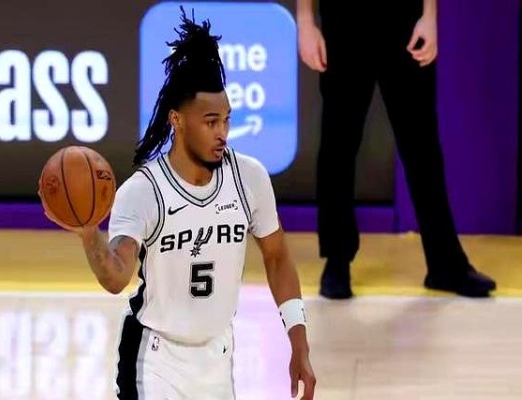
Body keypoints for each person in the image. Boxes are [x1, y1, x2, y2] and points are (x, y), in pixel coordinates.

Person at [39, 8, 316, 400]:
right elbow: (116, 278)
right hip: (154, 361)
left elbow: (277, 257)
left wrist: (299, 341)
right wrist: (89, 234)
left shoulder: (249, 177)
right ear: (177, 120)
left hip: (218, 357)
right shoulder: (144, 190)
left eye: (226, 120)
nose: (222, 132)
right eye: (210, 121)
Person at [296, 0, 497, 299]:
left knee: (422, 146)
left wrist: (429, 16)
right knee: (338, 144)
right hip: (344, 20)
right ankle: (337, 261)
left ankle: (445, 264)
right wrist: (305, 21)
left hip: (404, 17)